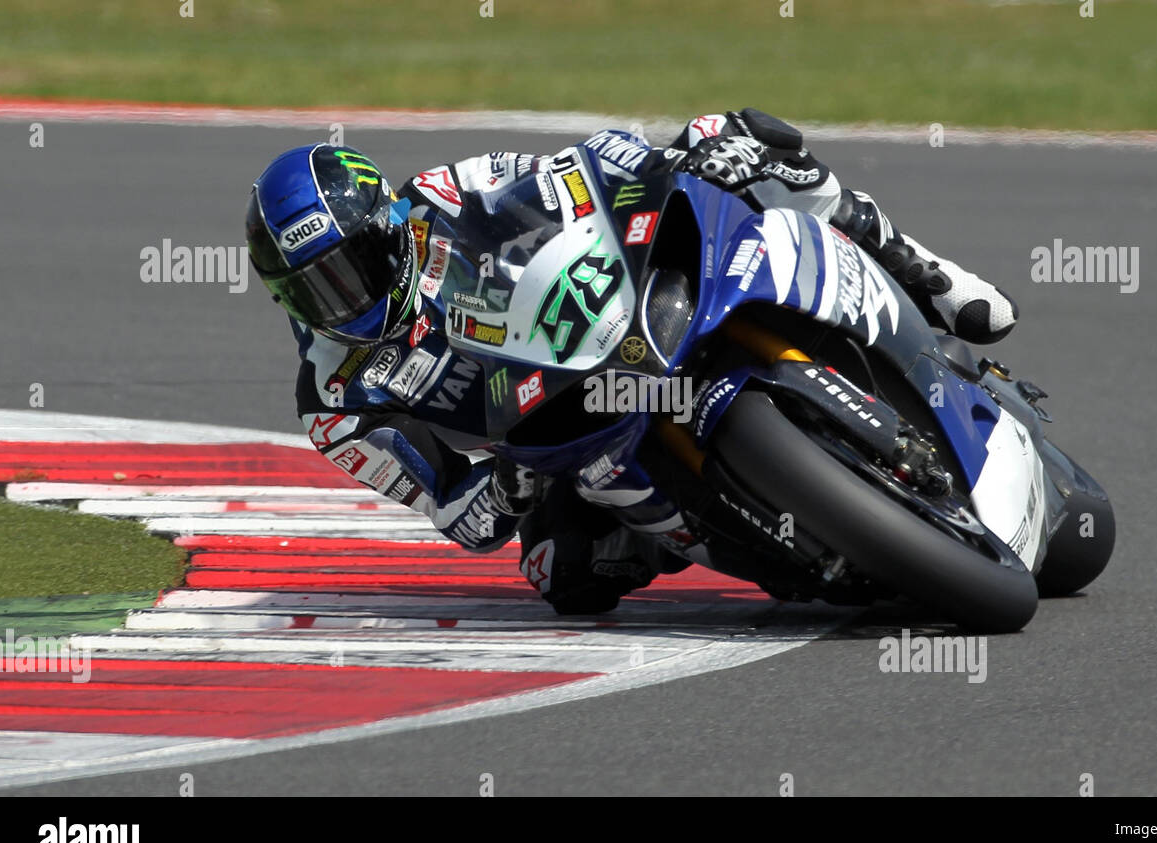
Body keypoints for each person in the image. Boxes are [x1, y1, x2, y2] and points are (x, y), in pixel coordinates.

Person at [243, 108, 1019, 614]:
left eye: (348, 271)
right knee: (560, 573)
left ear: (385, 227)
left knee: (746, 135)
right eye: (314, 291)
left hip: (607, 311)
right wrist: (507, 485)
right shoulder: (335, 402)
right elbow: (462, 517)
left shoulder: (445, 192)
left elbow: (572, 173)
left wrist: (672, 154)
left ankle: (931, 275)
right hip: (548, 434)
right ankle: (753, 533)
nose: (341, 301)